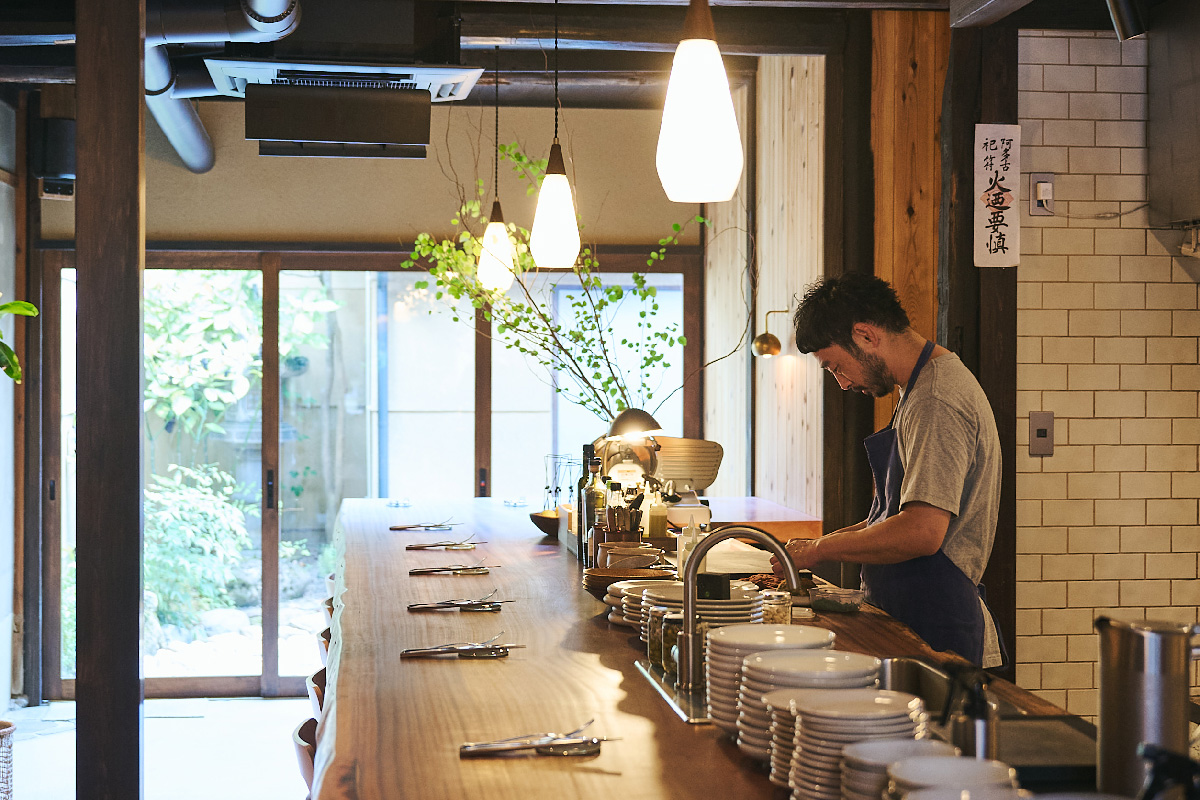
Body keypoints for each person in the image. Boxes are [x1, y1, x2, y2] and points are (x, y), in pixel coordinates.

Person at [772, 273, 1005, 668]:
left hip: (940, 631)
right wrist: (812, 548)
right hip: (911, 617)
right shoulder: (916, 391)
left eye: (835, 367)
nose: (841, 383)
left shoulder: (936, 400)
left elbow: (920, 532)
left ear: (865, 335)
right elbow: (887, 519)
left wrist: (819, 549)